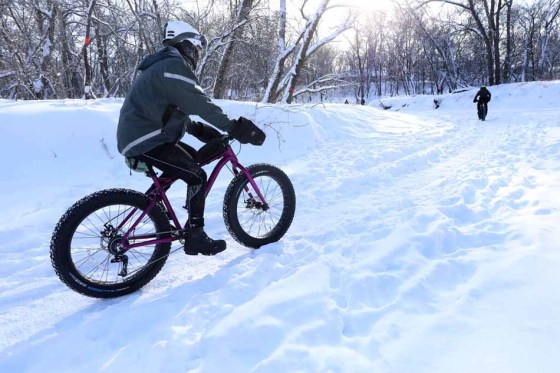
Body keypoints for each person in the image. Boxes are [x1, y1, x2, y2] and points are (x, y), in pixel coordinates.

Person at [117, 20, 265, 256]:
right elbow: (199, 103)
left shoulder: (165, 67)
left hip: (146, 135)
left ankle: (162, 208)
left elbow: (166, 111)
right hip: (146, 139)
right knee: (196, 175)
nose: (197, 53)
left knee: (191, 160)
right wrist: (233, 127)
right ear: (184, 44)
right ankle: (195, 235)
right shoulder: (172, 66)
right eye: (195, 47)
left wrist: (197, 129)